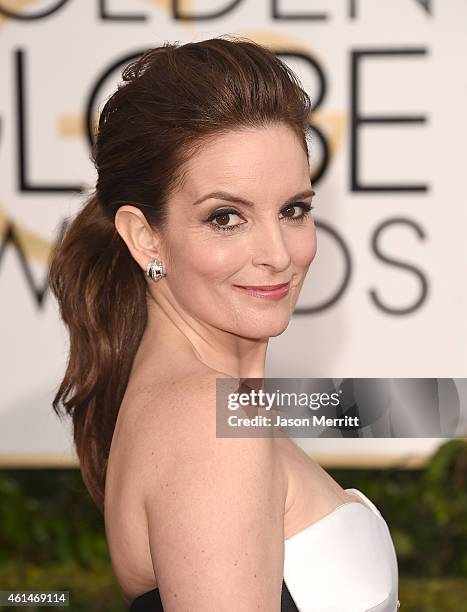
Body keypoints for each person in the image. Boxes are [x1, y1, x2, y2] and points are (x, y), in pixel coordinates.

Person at [48, 35, 400, 611]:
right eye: (226, 217)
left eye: (294, 210)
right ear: (145, 236)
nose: (278, 253)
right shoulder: (207, 420)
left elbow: (385, 406)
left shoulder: (218, 402)